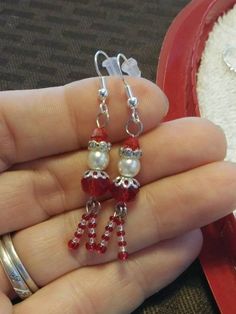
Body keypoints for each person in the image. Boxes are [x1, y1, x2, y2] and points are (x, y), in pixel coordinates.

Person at [0, 76, 235, 314]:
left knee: (106, 216)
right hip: (103, 183)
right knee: (101, 213)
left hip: (118, 185)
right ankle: (97, 239)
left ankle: (93, 238)